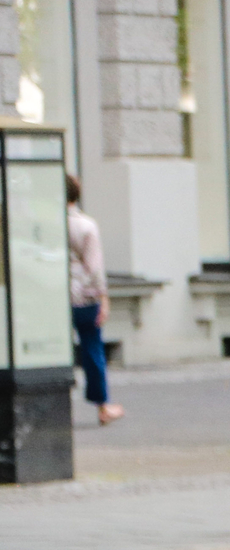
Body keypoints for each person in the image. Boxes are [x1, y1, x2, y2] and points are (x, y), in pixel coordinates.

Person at [65, 176, 120, 425]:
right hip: (84, 298)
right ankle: (102, 407)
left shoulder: (46, 223)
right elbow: (95, 269)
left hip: (55, 299)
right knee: (92, 350)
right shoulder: (86, 226)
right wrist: (104, 298)